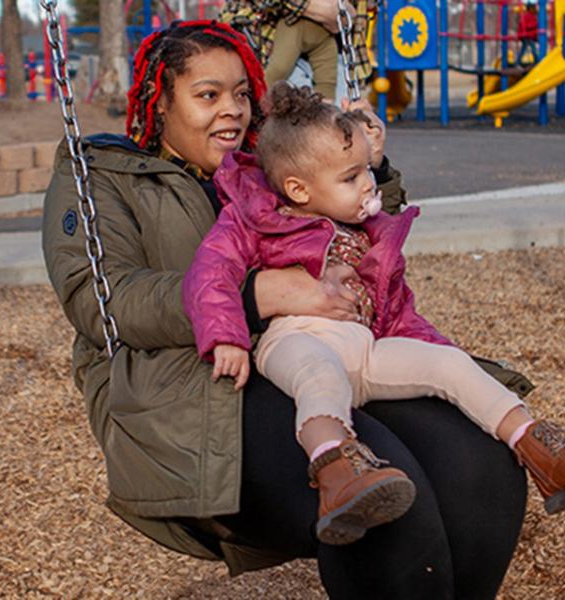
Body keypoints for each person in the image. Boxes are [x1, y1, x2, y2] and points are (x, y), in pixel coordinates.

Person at [43, 20, 529, 599]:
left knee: (482, 465)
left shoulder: (263, 169)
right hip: (193, 384)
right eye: (207, 95)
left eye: (241, 94)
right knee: (385, 496)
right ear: (160, 101)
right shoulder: (103, 176)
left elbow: (353, 221)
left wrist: (365, 161)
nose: (233, 110)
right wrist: (259, 293)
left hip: (323, 352)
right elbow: (106, 301)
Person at [183, 82, 565, 546]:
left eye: (366, 169)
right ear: (298, 189)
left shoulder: (370, 236)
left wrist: (436, 352)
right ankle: (338, 474)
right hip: (296, 338)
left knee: (448, 364)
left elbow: (400, 310)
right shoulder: (255, 217)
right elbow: (210, 272)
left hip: (367, 347)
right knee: (319, 376)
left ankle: (537, 447)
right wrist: (225, 336)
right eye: (351, 177)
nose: (368, 183)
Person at [219, 0, 371, 99]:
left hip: (332, 42)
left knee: (332, 104)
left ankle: (327, 112)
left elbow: (351, 12)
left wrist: (343, 11)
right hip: (275, 37)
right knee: (277, 75)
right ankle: (258, 100)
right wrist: (314, 7)